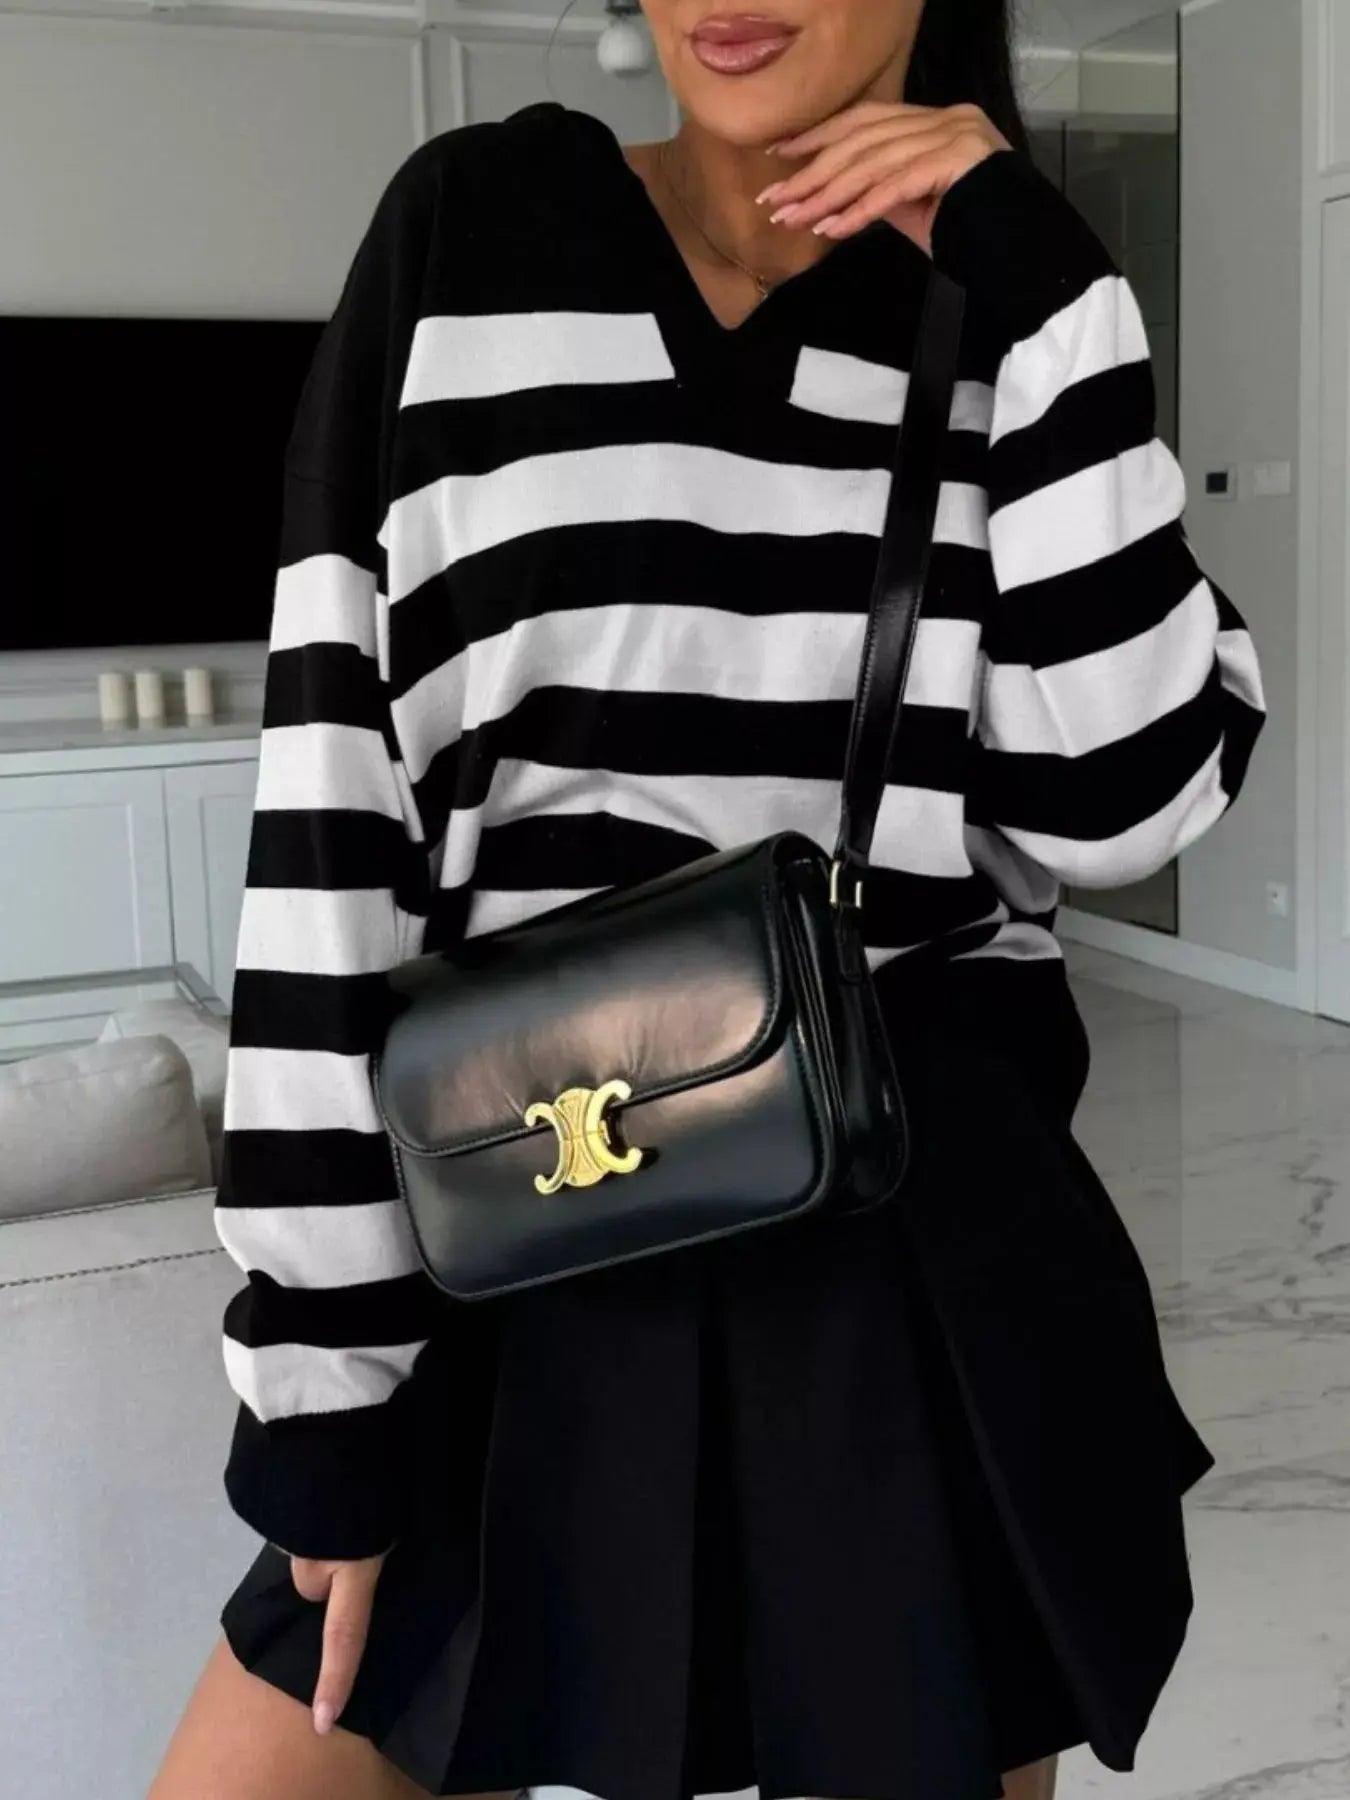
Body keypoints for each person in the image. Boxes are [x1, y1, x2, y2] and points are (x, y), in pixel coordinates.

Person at [147, 3, 1267, 1798]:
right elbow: (338, 813)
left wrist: (1052, 291)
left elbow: (1125, 799)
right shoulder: (474, 231)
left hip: (908, 1262)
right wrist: (325, 1383)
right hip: (526, 1203)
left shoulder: (1007, 295)